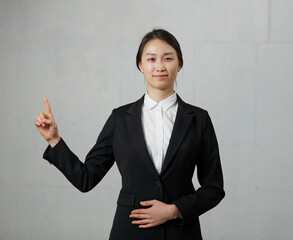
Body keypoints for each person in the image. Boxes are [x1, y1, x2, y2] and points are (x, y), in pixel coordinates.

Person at [34, 28, 225, 240]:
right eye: (151, 59)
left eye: (168, 58)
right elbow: (86, 179)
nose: (160, 66)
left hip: (180, 232)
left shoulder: (198, 119)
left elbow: (214, 188)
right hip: (130, 232)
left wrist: (175, 210)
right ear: (140, 65)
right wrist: (54, 140)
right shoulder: (120, 118)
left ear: (179, 64)